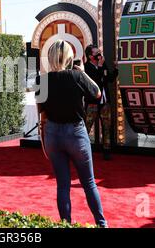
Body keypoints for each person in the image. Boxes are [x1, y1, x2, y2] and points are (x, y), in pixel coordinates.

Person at [35, 40, 107, 227]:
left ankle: (65, 224)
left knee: (63, 186)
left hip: (52, 133)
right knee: (89, 183)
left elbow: (41, 113)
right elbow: (97, 93)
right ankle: (101, 224)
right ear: (69, 56)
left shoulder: (41, 80)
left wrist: (44, 140)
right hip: (75, 133)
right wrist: (82, 72)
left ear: (50, 57)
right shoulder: (77, 76)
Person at [83, 45, 118, 160]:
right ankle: (82, 150)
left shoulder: (102, 65)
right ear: (90, 56)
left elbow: (109, 79)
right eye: (96, 52)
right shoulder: (86, 67)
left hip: (105, 102)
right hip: (92, 102)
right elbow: (95, 83)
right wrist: (100, 67)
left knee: (107, 127)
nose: (99, 54)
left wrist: (116, 69)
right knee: (87, 127)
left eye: (99, 52)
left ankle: (107, 150)